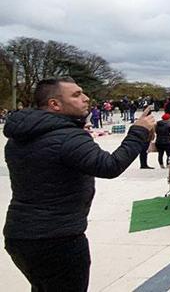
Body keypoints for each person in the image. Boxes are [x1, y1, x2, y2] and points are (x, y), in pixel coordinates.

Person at [3, 77, 155, 291]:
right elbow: (109, 166)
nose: (86, 99)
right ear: (54, 104)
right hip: (57, 238)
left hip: (20, 234)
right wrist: (138, 131)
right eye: (76, 95)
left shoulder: (19, 137)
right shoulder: (68, 137)